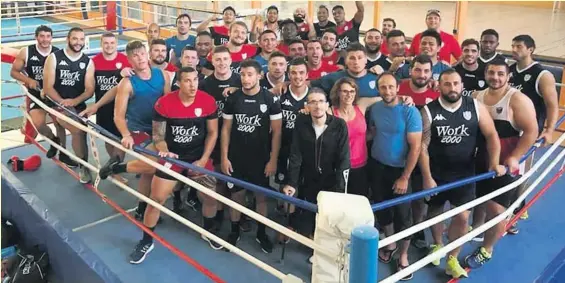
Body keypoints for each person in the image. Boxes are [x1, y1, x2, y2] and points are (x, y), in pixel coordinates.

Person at [128, 67, 221, 264]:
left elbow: (213, 133)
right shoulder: (164, 103)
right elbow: (158, 136)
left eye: (195, 80)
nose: (193, 84)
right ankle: (146, 240)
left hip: (199, 157)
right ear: (179, 82)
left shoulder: (208, 101)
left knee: (210, 199)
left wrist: (204, 159)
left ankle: (208, 230)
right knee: (156, 199)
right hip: (173, 158)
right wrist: (163, 150)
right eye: (187, 81)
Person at [420, 69, 505, 278]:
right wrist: (427, 177)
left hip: (465, 173)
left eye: (456, 84)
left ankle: (452, 258)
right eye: (447, 84)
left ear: (462, 85)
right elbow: (422, 147)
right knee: (435, 211)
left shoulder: (475, 106)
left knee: (462, 216)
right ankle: (437, 245)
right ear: (439, 86)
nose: (452, 88)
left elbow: (492, 135)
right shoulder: (429, 110)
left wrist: (494, 162)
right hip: (437, 173)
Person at [465, 60, 538, 270]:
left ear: (508, 77)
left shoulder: (517, 100)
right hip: (479, 159)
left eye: (500, 74)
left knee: (497, 210)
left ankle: (487, 249)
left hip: (505, 163)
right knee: (478, 199)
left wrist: (515, 157)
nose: (495, 77)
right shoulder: (477, 96)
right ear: (485, 74)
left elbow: (531, 131)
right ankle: (477, 228)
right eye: (491, 72)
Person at [98, 40, 171, 222]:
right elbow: (118, 116)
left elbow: (169, 103)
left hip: (159, 128)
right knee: (154, 163)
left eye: (141, 53)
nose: (140, 58)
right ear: (129, 60)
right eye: (135, 56)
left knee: (148, 169)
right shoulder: (127, 83)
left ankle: (141, 206)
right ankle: (120, 168)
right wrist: (126, 134)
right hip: (138, 129)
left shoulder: (162, 75)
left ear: (147, 55)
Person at [221, 59, 282, 253]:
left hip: (261, 159)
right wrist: (224, 157)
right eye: (243, 75)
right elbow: (225, 130)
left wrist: (273, 159)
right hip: (237, 158)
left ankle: (261, 233)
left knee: (261, 197)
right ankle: (234, 230)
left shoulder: (270, 100)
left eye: (250, 75)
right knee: (237, 196)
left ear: (259, 76)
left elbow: (277, 133)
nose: (246, 79)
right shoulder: (233, 99)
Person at [368, 72, 422, 280]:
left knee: (403, 214)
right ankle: (390, 242)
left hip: (400, 170)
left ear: (398, 88)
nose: (387, 91)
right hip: (377, 166)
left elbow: (415, 146)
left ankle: (404, 255)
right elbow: (373, 133)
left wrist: (405, 177)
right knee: (383, 207)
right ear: (378, 89)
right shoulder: (375, 109)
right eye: (383, 87)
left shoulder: (410, 111)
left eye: (391, 87)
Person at [282, 87, 350, 240]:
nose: (317, 106)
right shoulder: (301, 122)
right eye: (312, 102)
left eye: (321, 101)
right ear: (307, 106)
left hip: (331, 178)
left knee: (327, 217)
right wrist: (291, 182)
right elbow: (295, 154)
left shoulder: (339, 125)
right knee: (308, 213)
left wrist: (340, 190)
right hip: (308, 177)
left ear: (327, 105)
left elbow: (344, 159)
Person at [508, 34, 559, 233]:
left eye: (519, 46)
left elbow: (552, 105)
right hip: (507, 130)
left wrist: (549, 130)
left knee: (520, 173)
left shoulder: (542, 75)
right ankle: (512, 206)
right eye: (512, 46)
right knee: (505, 171)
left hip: (528, 133)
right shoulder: (509, 71)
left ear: (531, 49)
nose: (514, 49)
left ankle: (515, 212)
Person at [10, 25, 75, 167]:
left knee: (60, 123)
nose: (45, 40)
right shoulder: (26, 52)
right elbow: (14, 72)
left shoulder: (58, 53)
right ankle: (54, 141)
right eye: (42, 36)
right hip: (36, 95)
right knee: (39, 124)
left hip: (54, 94)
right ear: (36, 37)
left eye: (48, 36)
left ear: (51, 38)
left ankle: (64, 154)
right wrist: (28, 80)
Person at [197, 45, 242, 224]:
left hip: (238, 139)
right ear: (212, 61)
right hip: (213, 138)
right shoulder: (205, 84)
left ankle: (239, 218)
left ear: (231, 61)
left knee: (238, 183)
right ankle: (219, 214)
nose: (222, 63)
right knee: (218, 179)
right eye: (218, 59)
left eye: (225, 59)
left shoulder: (241, 80)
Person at [43, 27, 94, 183]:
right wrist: (62, 103)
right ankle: (83, 166)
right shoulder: (54, 58)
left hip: (77, 104)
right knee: (77, 130)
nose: (78, 42)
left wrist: (75, 101)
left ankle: (81, 160)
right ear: (68, 39)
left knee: (83, 132)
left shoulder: (87, 62)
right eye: (75, 39)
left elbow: (90, 89)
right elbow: (48, 87)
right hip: (56, 103)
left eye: (81, 39)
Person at [90, 32, 131, 183]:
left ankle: (114, 167)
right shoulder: (94, 62)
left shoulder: (125, 60)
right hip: (103, 108)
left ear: (116, 43)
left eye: (112, 43)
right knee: (108, 139)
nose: (109, 46)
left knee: (122, 140)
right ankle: (114, 169)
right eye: (106, 43)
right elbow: (88, 85)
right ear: (101, 44)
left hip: (123, 107)